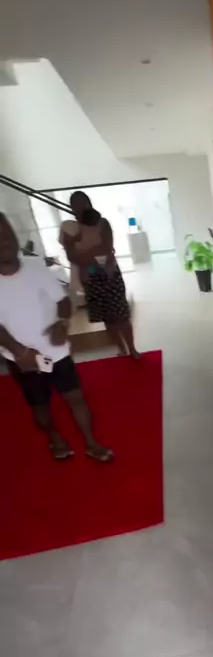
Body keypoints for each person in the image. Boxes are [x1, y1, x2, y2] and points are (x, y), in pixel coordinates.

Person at [0, 214, 113, 462]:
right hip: (22, 360)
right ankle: (55, 438)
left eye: (7, 235)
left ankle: (91, 443)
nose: (5, 241)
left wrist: (62, 323)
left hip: (55, 351)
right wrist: (20, 353)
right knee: (40, 406)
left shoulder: (35, 266)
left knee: (76, 398)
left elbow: (62, 300)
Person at [61, 191, 139, 359]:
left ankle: (132, 349)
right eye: (75, 204)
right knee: (107, 318)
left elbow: (106, 248)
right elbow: (72, 257)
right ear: (71, 208)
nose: (79, 207)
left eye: (82, 203)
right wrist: (92, 255)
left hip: (110, 274)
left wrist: (84, 255)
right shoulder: (69, 229)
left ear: (89, 204)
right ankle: (121, 349)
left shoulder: (102, 223)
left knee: (121, 315)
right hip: (90, 277)